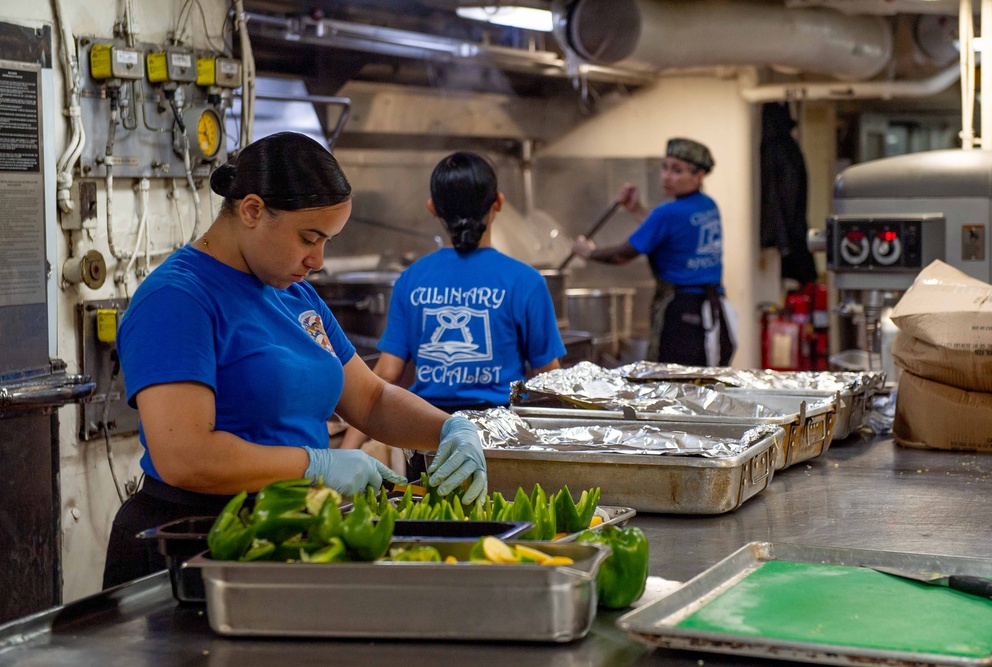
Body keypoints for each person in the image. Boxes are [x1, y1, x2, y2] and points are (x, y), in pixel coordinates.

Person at [103, 132, 487, 589]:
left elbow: (371, 399)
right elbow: (185, 456)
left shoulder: (295, 295)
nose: (318, 259)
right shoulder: (177, 299)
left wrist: (451, 429)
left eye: (327, 240)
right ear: (251, 211)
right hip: (199, 546)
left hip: (288, 535)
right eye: (310, 237)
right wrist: (315, 465)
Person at [340, 151, 566, 475]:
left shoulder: (411, 279)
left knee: (430, 523)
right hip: (498, 442)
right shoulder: (525, 281)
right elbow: (548, 380)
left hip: (427, 436)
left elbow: (385, 375)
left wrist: (347, 451)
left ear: (432, 207)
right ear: (498, 203)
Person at [571, 137, 737, 367]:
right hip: (711, 309)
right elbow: (668, 232)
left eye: (677, 170)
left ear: (699, 175)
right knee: (700, 380)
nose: (667, 176)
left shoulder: (667, 213)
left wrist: (588, 252)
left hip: (679, 313)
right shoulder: (708, 205)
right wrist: (637, 209)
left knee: (670, 381)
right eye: (665, 167)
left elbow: (622, 255)